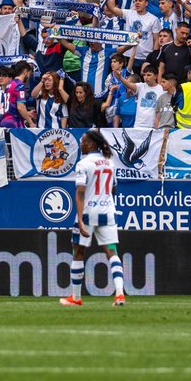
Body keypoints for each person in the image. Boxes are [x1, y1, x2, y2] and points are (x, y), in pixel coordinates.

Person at [60, 128, 126, 308]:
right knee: (112, 253)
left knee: (78, 252)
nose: (80, 144)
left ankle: (76, 297)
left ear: (91, 144)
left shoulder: (83, 164)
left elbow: (80, 193)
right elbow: (113, 189)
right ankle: (120, 294)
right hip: (108, 212)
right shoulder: (110, 163)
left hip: (88, 213)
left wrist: (80, 220)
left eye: (82, 141)